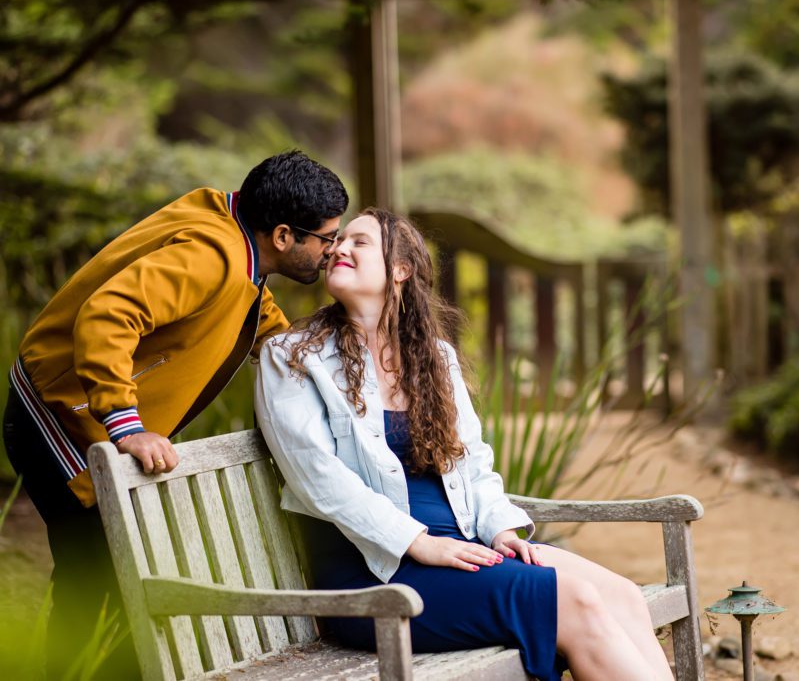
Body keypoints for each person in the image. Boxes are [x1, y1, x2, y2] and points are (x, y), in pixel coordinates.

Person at [254, 208, 673, 681]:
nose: (339, 249)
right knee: (575, 602)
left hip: (464, 547)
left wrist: (500, 529)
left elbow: (472, 460)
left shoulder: (434, 357)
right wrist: (418, 543)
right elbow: (317, 478)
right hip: (377, 575)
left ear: (401, 269)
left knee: (622, 595)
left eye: (360, 242)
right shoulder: (292, 356)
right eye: (338, 241)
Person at [2, 149, 348, 679]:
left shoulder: (236, 236)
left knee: (109, 583)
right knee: (102, 584)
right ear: (283, 235)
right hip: (56, 414)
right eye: (327, 238)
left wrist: (299, 357)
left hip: (62, 407)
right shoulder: (213, 254)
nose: (332, 251)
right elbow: (109, 314)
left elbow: (250, 308)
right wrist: (127, 425)